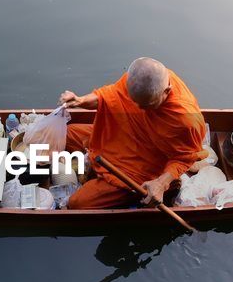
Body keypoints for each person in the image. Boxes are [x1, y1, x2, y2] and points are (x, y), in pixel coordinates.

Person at [59, 58, 208, 209]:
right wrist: (80, 101)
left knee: (76, 203)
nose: (138, 108)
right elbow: (110, 96)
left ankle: (149, 189)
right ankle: (90, 164)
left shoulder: (186, 119)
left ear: (167, 91)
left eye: (147, 105)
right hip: (122, 133)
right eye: (134, 101)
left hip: (142, 166)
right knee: (65, 134)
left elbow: (185, 158)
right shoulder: (139, 79)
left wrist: (161, 184)